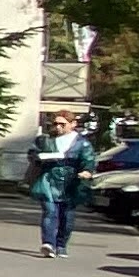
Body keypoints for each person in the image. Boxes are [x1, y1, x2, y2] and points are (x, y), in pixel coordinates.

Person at [31, 109, 94, 258]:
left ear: (73, 124)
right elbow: (33, 154)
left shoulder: (82, 144)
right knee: (50, 211)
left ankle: (61, 245)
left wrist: (86, 171)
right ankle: (48, 244)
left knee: (67, 216)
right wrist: (40, 157)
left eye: (62, 124)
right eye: (55, 124)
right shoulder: (45, 140)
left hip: (71, 182)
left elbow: (89, 160)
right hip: (49, 179)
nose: (58, 127)